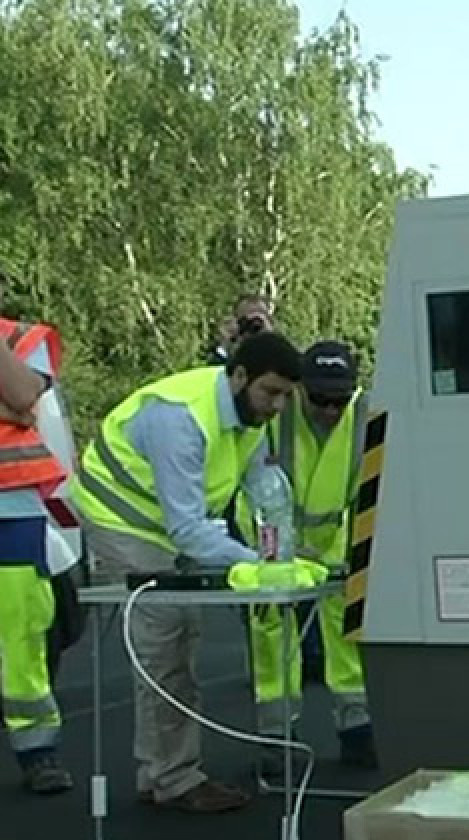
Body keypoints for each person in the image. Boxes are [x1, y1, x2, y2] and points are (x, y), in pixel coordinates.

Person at [70, 332, 302, 813]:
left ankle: (165, 772)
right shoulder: (180, 418)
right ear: (239, 377)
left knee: (182, 634)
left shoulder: (250, 415)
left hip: (167, 525)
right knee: (168, 633)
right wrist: (257, 567)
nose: (278, 406)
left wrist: (283, 554)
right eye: (271, 392)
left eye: (284, 395)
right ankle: (172, 779)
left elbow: (264, 492)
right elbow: (188, 530)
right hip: (124, 518)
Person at [236, 341, 377, 773]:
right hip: (276, 545)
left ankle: (357, 728)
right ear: (300, 390)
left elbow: (374, 491)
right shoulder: (274, 416)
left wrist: (359, 554)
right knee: (271, 634)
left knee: (349, 636)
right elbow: (246, 488)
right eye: (320, 400)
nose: (330, 410)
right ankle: (276, 736)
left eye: (340, 400)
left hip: (342, 546)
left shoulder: (369, 417)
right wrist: (270, 548)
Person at [0, 302, 76, 794]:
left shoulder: (22, 339)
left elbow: (26, 394)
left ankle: (37, 749)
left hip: (12, 504)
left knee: (23, 628)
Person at [207, 293, 274, 366]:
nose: (254, 324)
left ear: (269, 322)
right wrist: (224, 347)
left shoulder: (281, 356)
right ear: (235, 322)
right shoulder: (226, 357)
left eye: (259, 320)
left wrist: (271, 339)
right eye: (245, 321)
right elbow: (215, 371)